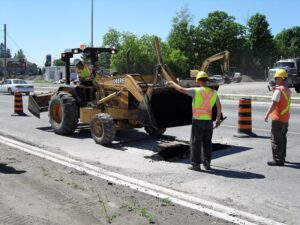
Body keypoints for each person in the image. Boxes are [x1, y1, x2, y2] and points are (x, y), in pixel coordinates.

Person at [167, 71, 222, 171]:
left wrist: (172, 83)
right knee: (207, 143)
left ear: (198, 81)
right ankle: (207, 163)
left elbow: (180, 89)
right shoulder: (214, 93)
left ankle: (196, 164)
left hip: (198, 121)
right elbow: (219, 106)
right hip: (209, 122)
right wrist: (218, 119)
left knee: (196, 143)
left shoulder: (196, 91)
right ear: (207, 81)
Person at [264, 69, 291, 166]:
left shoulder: (278, 91)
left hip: (277, 119)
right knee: (283, 138)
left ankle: (278, 159)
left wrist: (267, 114)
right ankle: (282, 157)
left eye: (276, 78)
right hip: (285, 119)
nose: (275, 79)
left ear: (281, 78)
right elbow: (281, 97)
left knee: (276, 139)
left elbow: (274, 104)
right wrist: (275, 89)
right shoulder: (287, 90)